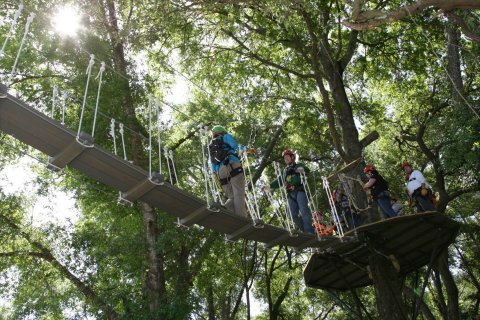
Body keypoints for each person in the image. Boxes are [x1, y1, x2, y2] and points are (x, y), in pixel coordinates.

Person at [265, 149, 315, 234]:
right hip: (290, 194)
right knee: (291, 216)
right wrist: (269, 186)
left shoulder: (298, 165)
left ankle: (309, 232)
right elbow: (279, 181)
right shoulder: (285, 171)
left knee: (304, 211)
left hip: (299, 191)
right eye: (284, 158)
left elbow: (306, 170)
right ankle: (307, 231)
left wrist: (297, 170)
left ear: (292, 157)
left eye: (287, 157)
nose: (286, 159)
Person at [209, 125, 248, 218]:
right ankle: (242, 220)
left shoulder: (211, 146)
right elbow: (235, 145)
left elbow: (212, 166)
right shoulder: (225, 136)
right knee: (239, 193)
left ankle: (224, 210)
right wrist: (247, 149)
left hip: (220, 173)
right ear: (222, 131)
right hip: (232, 164)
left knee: (232, 197)